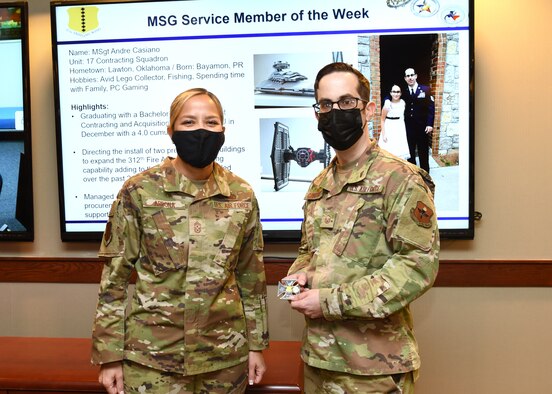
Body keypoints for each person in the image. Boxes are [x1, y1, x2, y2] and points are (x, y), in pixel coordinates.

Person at [91, 88, 268, 394]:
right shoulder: (139, 191)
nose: (201, 130)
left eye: (211, 122)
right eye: (189, 122)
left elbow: (251, 277)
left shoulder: (242, 195)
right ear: (171, 131)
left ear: (223, 131)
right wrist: (109, 357)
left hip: (224, 358)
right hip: (153, 359)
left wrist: (256, 345)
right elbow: (114, 280)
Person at [284, 62, 439, 393]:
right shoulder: (319, 184)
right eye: (325, 105)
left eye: (345, 102)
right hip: (319, 361)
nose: (334, 112)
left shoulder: (401, 178)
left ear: (368, 109)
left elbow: (416, 267)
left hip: (374, 370)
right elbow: (309, 251)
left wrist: (329, 301)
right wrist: (300, 274)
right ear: (317, 114)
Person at [403, 67, 435, 173]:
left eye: (412, 75)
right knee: (410, 153)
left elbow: (431, 108)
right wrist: (386, 101)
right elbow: (391, 97)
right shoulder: (403, 91)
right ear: (405, 78)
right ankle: (413, 174)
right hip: (408, 128)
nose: (410, 77)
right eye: (408, 76)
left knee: (423, 152)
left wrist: (430, 124)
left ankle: (425, 174)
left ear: (416, 76)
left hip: (422, 127)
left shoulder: (425, 89)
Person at [379, 84, 410, 160]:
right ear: (390, 93)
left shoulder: (403, 103)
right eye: (394, 92)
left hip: (399, 128)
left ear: (401, 93)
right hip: (389, 128)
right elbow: (382, 120)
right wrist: (384, 134)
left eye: (398, 92)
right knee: (389, 152)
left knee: (399, 152)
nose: (396, 94)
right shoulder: (387, 105)